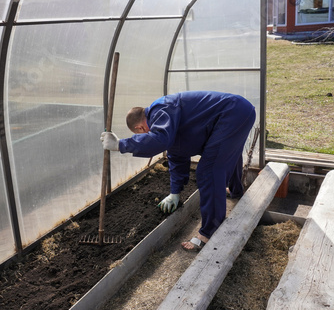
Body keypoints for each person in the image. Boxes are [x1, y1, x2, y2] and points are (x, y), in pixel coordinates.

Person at [101, 90, 255, 252]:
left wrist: (121, 145)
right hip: (238, 111)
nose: (145, 136)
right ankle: (235, 190)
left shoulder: (161, 109)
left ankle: (210, 232)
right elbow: (177, 156)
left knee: (208, 170)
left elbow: (159, 140)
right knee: (227, 152)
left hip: (233, 113)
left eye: (141, 134)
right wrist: (175, 192)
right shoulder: (166, 122)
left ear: (139, 128)